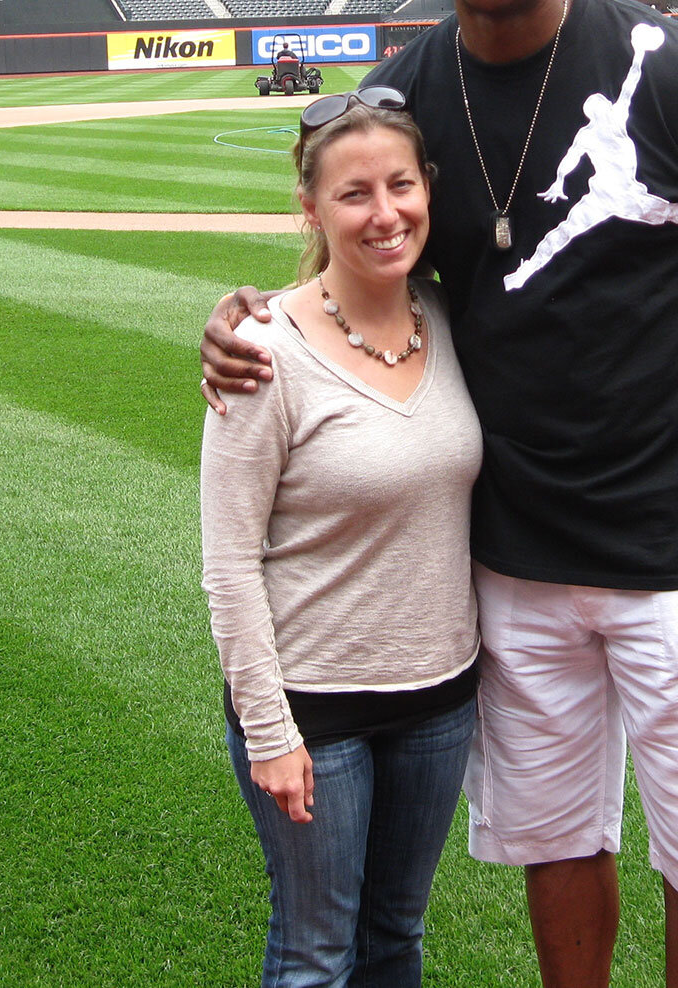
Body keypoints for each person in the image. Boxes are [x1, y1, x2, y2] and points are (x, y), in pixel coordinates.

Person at [203, 0, 678, 988]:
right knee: (555, 837)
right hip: (517, 562)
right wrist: (247, 317)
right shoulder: (403, 95)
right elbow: (362, 258)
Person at [200, 87, 483, 988]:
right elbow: (229, 563)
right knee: (315, 954)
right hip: (313, 706)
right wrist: (268, 730)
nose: (384, 213)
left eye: (400, 186)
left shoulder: (453, 317)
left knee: (396, 935)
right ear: (312, 208)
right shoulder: (261, 350)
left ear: (427, 190)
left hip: (438, 696)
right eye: (354, 193)